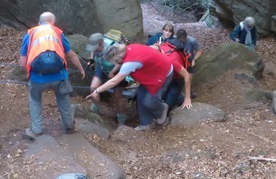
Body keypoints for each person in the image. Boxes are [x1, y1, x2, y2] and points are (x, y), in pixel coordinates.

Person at [20, 12, 85, 140]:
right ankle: (69, 127)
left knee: (35, 99)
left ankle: (36, 130)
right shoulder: (58, 33)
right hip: (59, 76)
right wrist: (81, 69)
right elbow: (71, 55)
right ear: (53, 23)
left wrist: (31, 74)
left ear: (39, 23)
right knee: (63, 98)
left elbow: (22, 62)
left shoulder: (30, 34)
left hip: (37, 77)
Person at [86, 43, 173, 131]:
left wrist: (97, 91)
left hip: (163, 73)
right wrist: (112, 72)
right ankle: (146, 123)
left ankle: (161, 109)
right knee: (141, 98)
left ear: (118, 58)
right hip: (149, 73)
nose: (116, 64)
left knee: (148, 101)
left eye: (115, 62)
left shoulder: (130, 63)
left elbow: (114, 81)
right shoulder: (128, 49)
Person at [86, 33, 128, 125]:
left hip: (116, 72)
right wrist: (92, 60)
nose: (94, 49)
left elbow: (120, 61)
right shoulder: (96, 47)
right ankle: (97, 107)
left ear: (101, 44)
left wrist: (112, 72)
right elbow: (93, 50)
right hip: (101, 68)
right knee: (93, 89)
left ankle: (122, 116)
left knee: (117, 96)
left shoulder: (113, 47)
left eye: (95, 47)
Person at [157, 39, 193, 111]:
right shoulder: (155, 53)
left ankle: (166, 114)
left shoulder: (172, 61)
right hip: (166, 74)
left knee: (168, 103)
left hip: (177, 77)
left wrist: (188, 98)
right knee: (166, 95)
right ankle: (179, 98)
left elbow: (187, 76)